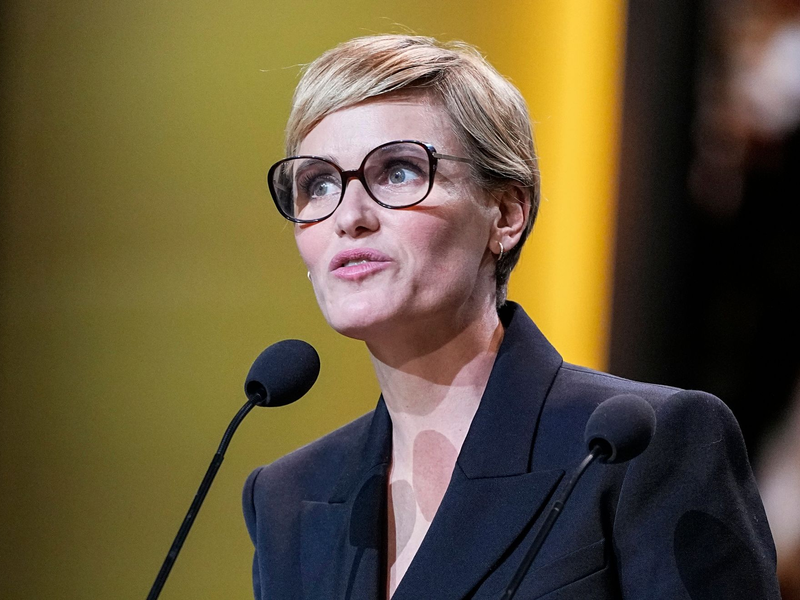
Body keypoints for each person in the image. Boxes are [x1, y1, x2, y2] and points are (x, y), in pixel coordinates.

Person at [242, 34, 780, 599]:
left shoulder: (642, 446)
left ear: (505, 214)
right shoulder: (286, 498)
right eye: (319, 184)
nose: (349, 216)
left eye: (398, 172)